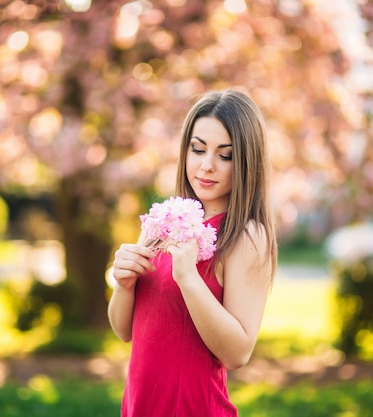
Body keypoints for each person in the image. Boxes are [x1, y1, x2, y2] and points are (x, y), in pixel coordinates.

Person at [108, 89, 277, 417]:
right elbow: (124, 331)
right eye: (197, 149)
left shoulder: (245, 235)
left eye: (225, 155)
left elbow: (238, 353)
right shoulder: (162, 222)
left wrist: (188, 277)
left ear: (246, 161)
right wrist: (123, 284)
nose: (207, 165)